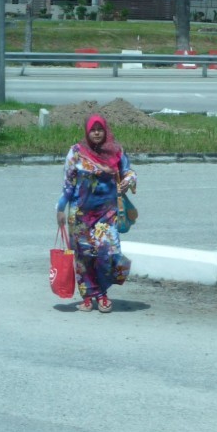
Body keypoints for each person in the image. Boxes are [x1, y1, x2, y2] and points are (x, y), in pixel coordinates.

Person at [56, 114, 136, 313]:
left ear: (105, 130)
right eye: (93, 129)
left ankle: (101, 292)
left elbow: (129, 172)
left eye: (100, 129)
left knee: (108, 253)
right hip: (80, 213)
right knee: (84, 256)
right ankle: (89, 296)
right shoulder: (76, 152)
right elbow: (68, 184)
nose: (97, 133)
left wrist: (129, 180)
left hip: (107, 213)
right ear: (87, 131)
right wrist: (60, 209)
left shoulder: (116, 151)